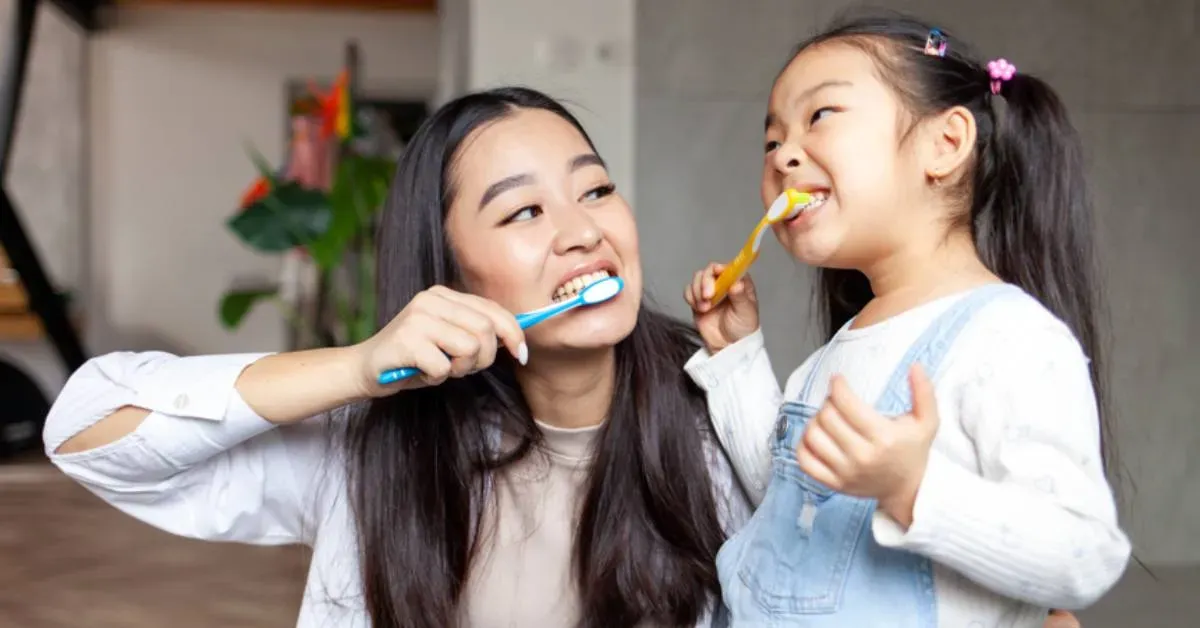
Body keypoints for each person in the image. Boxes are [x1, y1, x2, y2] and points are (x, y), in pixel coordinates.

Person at [42, 87, 754, 628]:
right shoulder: (373, 445)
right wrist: (357, 368)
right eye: (524, 212)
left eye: (596, 190)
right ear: (448, 274)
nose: (581, 231)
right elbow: (85, 432)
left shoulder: (720, 414)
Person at [683, 9, 1129, 628]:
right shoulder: (846, 344)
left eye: (819, 116)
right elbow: (792, 512)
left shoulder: (1010, 340)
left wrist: (915, 487)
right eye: (771, 140)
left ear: (944, 144)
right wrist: (738, 357)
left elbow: (1086, 554)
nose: (784, 155)